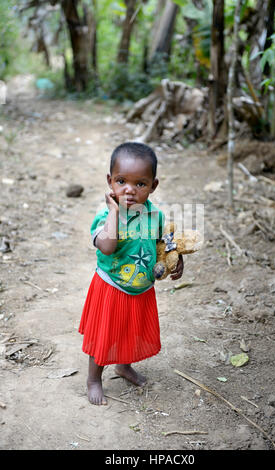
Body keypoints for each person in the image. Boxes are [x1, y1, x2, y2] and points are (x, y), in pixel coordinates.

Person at [79, 142, 184, 405]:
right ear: (110, 181)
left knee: (130, 331)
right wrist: (114, 212)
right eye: (122, 181)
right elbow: (107, 245)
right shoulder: (105, 215)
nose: (129, 190)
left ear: (153, 186)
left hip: (141, 286)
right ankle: (94, 378)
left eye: (140, 184)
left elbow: (165, 245)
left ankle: (123, 367)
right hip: (111, 286)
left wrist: (177, 260)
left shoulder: (155, 215)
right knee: (106, 334)